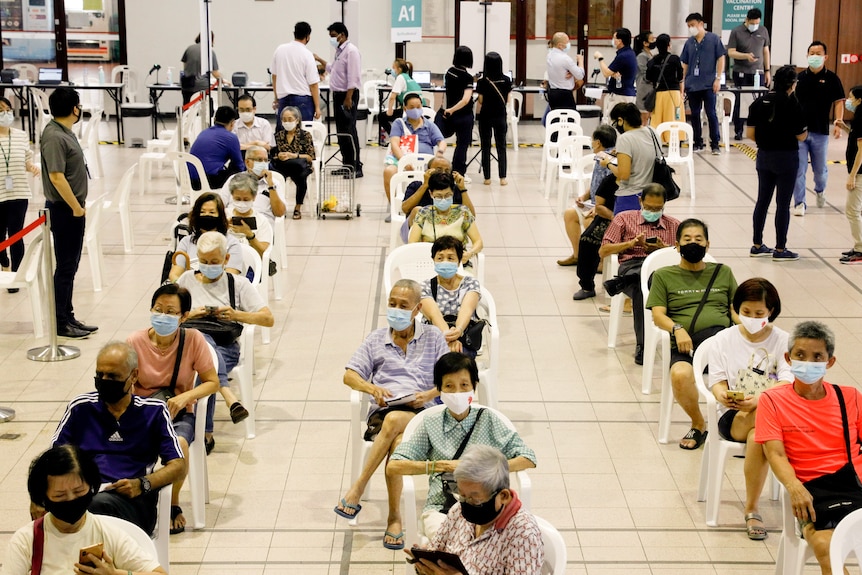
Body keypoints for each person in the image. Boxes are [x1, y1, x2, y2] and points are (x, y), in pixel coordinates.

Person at [333, 280, 448, 550]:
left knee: (396, 421)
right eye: (392, 304)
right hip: (385, 412)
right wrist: (370, 387)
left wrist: (428, 394)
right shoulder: (376, 339)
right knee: (396, 437)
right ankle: (394, 518)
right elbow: (349, 375)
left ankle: (357, 489)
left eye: (403, 306)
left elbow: (450, 379)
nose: (395, 310)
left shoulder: (433, 337)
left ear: (418, 309)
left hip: (425, 414)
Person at [388, 353, 537, 540]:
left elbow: (528, 458)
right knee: (453, 546)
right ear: (439, 390)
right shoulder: (430, 423)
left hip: (488, 508)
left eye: (464, 385)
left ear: (474, 387)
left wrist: (488, 470)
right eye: (449, 386)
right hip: (441, 509)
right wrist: (439, 466)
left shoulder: (490, 420)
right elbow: (394, 466)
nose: (457, 392)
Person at [756, 321, 862, 575]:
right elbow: (775, 453)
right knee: (827, 548)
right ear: (788, 358)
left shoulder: (848, 396)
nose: (808, 362)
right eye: (800, 355)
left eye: (817, 357)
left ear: (830, 362)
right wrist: (794, 487)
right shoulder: (772, 400)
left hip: (855, 483)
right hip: (811, 493)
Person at [50, 342, 186, 535]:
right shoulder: (81, 408)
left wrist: (142, 484)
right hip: (84, 495)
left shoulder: (154, 411)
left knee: (93, 509)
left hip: (134, 502)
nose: (104, 380)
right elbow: (53, 461)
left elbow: (178, 466)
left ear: (134, 376)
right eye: (100, 375)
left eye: (112, 376)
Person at [126, 283, 220, 534]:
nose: (163, 316)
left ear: (184, 316)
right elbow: (124, 383)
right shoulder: (134, 341)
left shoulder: (193, 339)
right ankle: (133, 500)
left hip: (177, 414)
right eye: (158, 309)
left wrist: (185, 397)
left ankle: (172, 503)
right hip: (141, 413)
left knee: (180, 445)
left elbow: (213, 382)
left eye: (170, 312)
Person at [708, 277, 792, 540]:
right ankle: (753, 509)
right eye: (746, 312)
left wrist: (760, 400)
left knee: (759, 435)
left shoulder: (784, 341)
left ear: (771, 311)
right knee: (761, 423)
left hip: (768, 414)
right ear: (737, 309)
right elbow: (717, 382)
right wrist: (723, 396)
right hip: (734, 415)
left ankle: (751, 508)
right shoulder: (723, 339)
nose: (752, 318)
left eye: (759, 313)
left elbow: (789, 381)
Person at [175, 231, 274, 450]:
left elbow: (267, 319)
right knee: (200, 340)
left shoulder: (237, 284)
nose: (208, 266)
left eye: (214, 262)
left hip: (225, 348)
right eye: (203, 261)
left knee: (204, 364)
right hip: (187, 347)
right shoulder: (186, 280)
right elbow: (169, 316)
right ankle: (226, 397)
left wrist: (235, 314)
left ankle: (203, 433)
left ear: (226, 259)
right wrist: (192, 314)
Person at [646, 218, 738, 450]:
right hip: (688, 345)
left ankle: (736, 425)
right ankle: (698, 422)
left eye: (699, 239)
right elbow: (658, 315)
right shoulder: (663, 275)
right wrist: (677, 329)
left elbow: (735, 310)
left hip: (722, 345)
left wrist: (749, 327)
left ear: (708, 245)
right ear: (677, 245)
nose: (693, 244)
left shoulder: (723, 272)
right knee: (679, 374)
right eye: (687, 239)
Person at [5, 445, 166, 575]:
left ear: (92, 488)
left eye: (78, 492)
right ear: (43, 498)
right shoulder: (27, 540)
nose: (71, 500)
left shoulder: (109, 533)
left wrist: (115, 574)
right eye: (60, 495)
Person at [405, 444, 544, 575]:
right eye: (462, 495)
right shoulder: (459, 509)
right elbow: (436, 550)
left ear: (503, 496)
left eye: (475, 499)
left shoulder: (523, 535)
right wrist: (425, 565)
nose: (466, 503)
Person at [600, 184, 680, 364]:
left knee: (652, 279)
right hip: (633, 264)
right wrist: (629, 244)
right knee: (642, 287)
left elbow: (684, 254)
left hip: (663, 270)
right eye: (649, 207)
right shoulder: (623, 219)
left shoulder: (674, 225)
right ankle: (643, 345)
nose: (653, 211)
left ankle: (622, 282)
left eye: (658, 208)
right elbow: (604, 250)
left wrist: (662, 249)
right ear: (640, 201)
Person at [41, 87, 97, 339]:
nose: (80, 108)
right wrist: (75, 206)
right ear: (73, 108)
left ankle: (68, 314)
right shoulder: (54, 136)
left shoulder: (65, 132)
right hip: (65, 209)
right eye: (78, 104)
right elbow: (56, 176)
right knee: (65, 266)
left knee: (71, 265)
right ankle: (60, 322)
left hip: (73, 207)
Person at [747, 65, 808, 262]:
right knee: (783, 204)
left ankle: (757, 244)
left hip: (764, 157)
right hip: (786, 158)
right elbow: (801, 136)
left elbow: (749, 134)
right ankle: (780, 249)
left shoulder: (758, 103)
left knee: (762, 201)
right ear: (792, 84)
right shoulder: (793, 105)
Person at [792, 41, 846, 216]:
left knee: (820, 170)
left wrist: (838, 121)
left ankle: (820, 190)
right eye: (811, 53)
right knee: (799, 169)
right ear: (807, 56)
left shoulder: (832, 79)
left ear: (825, 57)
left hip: (820, 132)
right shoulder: (799, 79)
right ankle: (799, 202)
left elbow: (839, 101)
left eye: (818, 53)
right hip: (799, 132)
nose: (814, 56)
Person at [558, 124, 617, 268]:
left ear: (598, 142)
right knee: (570, 214)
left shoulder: (611, 161)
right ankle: (578, 256)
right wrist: (584, 197)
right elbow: (596, 184)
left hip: (605, 206)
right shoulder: (599, 158)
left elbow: (610, 191)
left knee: (589, 222)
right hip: (593, 203)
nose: (591, 143)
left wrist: (598, 208)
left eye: (592, 140)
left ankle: (601, 260)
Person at [383, 92, 447, 219]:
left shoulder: (429, 125)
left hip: (425, 165)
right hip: (403, 161)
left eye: (418, 106)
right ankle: (394, 209)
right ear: (405, 108)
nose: (416, 110)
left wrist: (439, 152)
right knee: (389, 171)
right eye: (412, 107)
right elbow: (395, 144)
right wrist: (404, 162)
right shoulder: (399, 123)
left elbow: (442, 142)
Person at [0, 96, 39, 293]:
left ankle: (17, 275)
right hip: (0, 193)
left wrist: (31, 167)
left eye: (8, 110)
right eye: (1, 111)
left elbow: (25, 159)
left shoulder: (21, 136)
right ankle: (4, 261)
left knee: (17, 234)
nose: (5, 114)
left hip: (19, 192)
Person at [419, 237, 481, 356]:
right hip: (433, 340)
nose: (445, 262)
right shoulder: (425, 286)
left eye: (450, 258)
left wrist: (458, 331)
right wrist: (448, 337)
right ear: (433, 260)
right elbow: (434, 315)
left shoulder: (470, 283)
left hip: (464, 338)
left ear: (459, 261)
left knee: (458, 359)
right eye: (440, 258)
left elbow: (466, 311)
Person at [408, 171, 484, 266]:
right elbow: (412, 243)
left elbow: (478, 242)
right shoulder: (423, 214)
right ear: (431, 194)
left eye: (448, 195)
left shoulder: (463, 213)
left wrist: (470, 253)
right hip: (429, 263)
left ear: (453, 192)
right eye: (439, 196)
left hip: (458, 264)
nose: (443, 199)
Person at [169, 193, 243, 283]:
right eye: (202, 212)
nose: (206, 215)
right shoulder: (186, 242)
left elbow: (231, 275)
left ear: (220, 216)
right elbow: (174, 274)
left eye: (212, 212)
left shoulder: (232, 243)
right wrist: (179, 285)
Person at [680, 12, 726, 155]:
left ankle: (715, 144)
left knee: (711, 113)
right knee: (694, 114)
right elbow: (685, 64)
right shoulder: (689, 43)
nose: (691, 28)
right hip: (692, 84)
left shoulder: (713, 39)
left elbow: (721, 58)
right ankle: (697, 142)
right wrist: (682, 82)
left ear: (701, 24)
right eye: (688, 26)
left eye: (692, 25)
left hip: (709, 83)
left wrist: (718, 78)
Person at [399, 157, 474, 241]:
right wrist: (425, 185)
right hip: (417, 231)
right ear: (428, 171)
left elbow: (471, 216)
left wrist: (462, 188)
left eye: (447, 171)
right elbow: (405, 209)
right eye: (438, 170)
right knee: (418, 210)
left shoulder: (454, 190)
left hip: (448, 231)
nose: (443, 173)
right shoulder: (416, 185)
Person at [322, 22, 362, 177]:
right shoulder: (339, 51)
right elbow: (333, 69)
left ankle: (356, 167)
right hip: (338, 95)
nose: (332, 39)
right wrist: (320, 60)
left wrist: (348, 98)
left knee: (349, 131)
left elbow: (354, 77)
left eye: (333, 36)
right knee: (341, 132)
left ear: (342, 35)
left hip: (347, 95)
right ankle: (346, 164)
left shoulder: (351, 51)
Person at [726, 8, 771, 140]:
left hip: (758, 72)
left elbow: (766, 51)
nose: (754, 26)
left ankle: (759, 129)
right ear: (746, 20)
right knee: (740, 102)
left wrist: (767, 70)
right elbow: (731, 52)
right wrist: (745, 56)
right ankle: (738, 130)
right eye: (752, 23)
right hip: (741, 72)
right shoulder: (736, 31)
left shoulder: (763, 31)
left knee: (760, 102)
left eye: (757, 23)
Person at [604, 102, 656, 214]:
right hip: (652, 194)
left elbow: (623, 174)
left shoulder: (625, 139)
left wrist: (608, 164)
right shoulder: (652, 132)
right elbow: (644, 154)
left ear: (620, 120)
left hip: (630, 195)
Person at [270, 21, 322, 125]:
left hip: (283, 98)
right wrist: (317, 106)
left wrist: (276, 97)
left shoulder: (280, 50)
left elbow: (274, 76)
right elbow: (313, 84)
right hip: (303, 100)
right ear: (308, 36)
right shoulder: (307, 54)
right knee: (302, 134)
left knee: (284, 133)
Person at [221, 145, 287, 225]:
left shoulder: (274, 183)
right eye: (259, 160)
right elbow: (220, 204)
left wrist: (270, 186)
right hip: (234, 223)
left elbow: (280, 213)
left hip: (261, 227)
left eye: (266, 160)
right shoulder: (234, 179)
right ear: (247, 162)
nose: (263, 164)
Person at [270, 106, 316, 219]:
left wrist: (294, 155)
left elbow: (310, 157)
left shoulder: (305, 135)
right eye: (284, 120)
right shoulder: (279, 136)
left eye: (290, 119)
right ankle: (279, 206)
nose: (287, 122)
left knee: (301, 177)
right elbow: (273, 154)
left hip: (300, 166)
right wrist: (279, 156)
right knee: (276, 178)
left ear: (297, 120)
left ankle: (297, 207)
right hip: (283, 166)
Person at [475, 51, 512, 186]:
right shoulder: (506, 80)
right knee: (501, 146)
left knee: (486, 146)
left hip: (485, 116)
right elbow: (508, 100)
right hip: (500, 116)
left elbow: (480, 100)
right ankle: (502, 177)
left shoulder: (482, 82)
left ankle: (487, 178)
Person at [189, 106, 245, 190]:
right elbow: (239, 165)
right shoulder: (231, 137)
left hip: (191, 180)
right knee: (237, 169)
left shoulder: (204, 132)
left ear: (214, 119)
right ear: (233, 123)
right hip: (209, 181)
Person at [837, 86, 862, 264]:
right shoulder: (858, 117)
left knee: (852, 210)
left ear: (859, 100)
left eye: (851, 98)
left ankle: (861, 249)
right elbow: (856, 138)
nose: (848, 101)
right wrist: (845, 128)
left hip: (860, 172)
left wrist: (852, 174)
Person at [443, 46, 475, 176]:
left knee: (458, 142)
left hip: (451, 115)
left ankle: (454, 168)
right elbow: (465, 100)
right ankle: (458, 171)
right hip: (463, 115)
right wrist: (453, 109)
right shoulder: (467, 77)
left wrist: (449, 110)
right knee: (462, 144)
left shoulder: (449, 72)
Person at [226, 172, 272, 262]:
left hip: (250, 265)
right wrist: (222, 227)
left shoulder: (261, 221)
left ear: (254, 197)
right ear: (232, 196)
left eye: (246, 199)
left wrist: (250, 235)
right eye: (238, 199)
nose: (242, 203)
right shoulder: (224, 215)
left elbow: (264, 253)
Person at [596, 28, 638, 124]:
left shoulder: (623, 56)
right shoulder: (630, 53)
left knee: (615, 122)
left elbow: (606, 73)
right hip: (627, 93)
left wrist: (600, 58)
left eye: (614, 38)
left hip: (621, 95)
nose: (613, 40)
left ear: (619, 41)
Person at [646, 34, 685, 138]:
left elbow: (648, 78)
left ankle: (659, 138)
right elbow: (680, 76)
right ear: (669, 45)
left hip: (659, 94)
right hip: (673, 93)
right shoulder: (675, 59)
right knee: (673, 117)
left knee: (658, 118)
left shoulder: (652, 61)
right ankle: (674, 138)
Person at [180, 32, 225, 105]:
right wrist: (223, 80)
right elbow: (215, 73)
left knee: (187, 109)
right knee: (203, 109)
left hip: (187, 86)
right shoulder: (209, 52)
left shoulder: (189, 49)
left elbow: (185, 67)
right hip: (202, 87)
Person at [381, 58, 421, 136]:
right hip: (421, 110)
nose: (393, 70)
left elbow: (392, 97)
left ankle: (394, 137)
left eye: (393, 68)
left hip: (409, 112)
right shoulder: (409, 77)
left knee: (382, 117)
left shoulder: (400, 77)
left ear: (399, 69)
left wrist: (389, 111)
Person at [546, 32, 585, 110]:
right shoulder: (565, 58)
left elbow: (559, 69)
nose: (569, 44)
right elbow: (580, 75)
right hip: (565, 95)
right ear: (560, 45)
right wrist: (581, 61)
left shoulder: (549, 55)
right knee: (569, 119)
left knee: (556, 118)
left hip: (552, 93)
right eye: (567, 42)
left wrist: (571, 72)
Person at [633, 30, 656, 125]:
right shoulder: (642, 56)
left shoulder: (649, 54)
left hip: (650, 89)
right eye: (652, 39)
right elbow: (645, 73)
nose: (654, 41)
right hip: (644, 90)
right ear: (645, 43)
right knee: (644, 116)